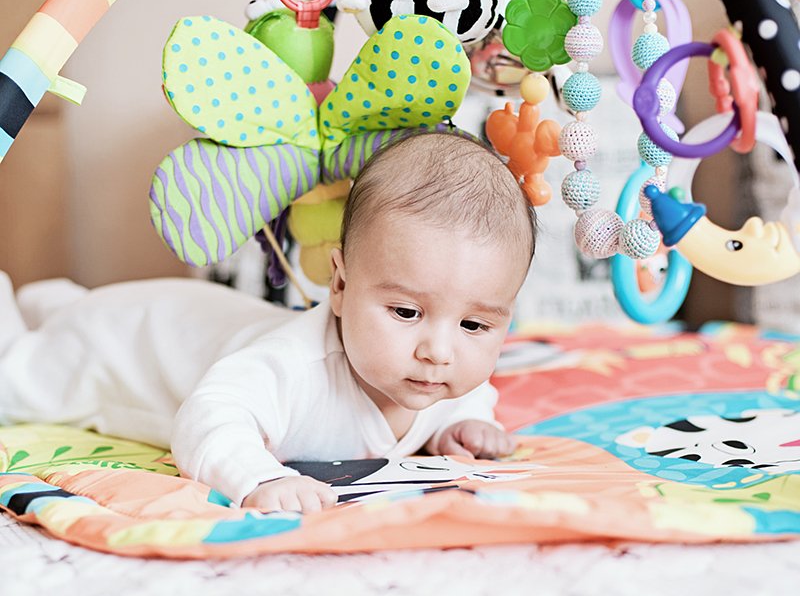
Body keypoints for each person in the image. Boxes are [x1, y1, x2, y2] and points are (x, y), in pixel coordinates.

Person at [0, 131, 535, 513]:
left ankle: (55, 303)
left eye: (473, 327)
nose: (438, 351)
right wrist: (258, 477)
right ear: (341, 286)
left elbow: (465, 395)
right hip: (123, 347)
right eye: (406, 312)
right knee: (16, 381)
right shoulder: (293, 369)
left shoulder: (438, 374)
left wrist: (455, 427)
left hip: (187, 317)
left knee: (70, 313)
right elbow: (209, 417)